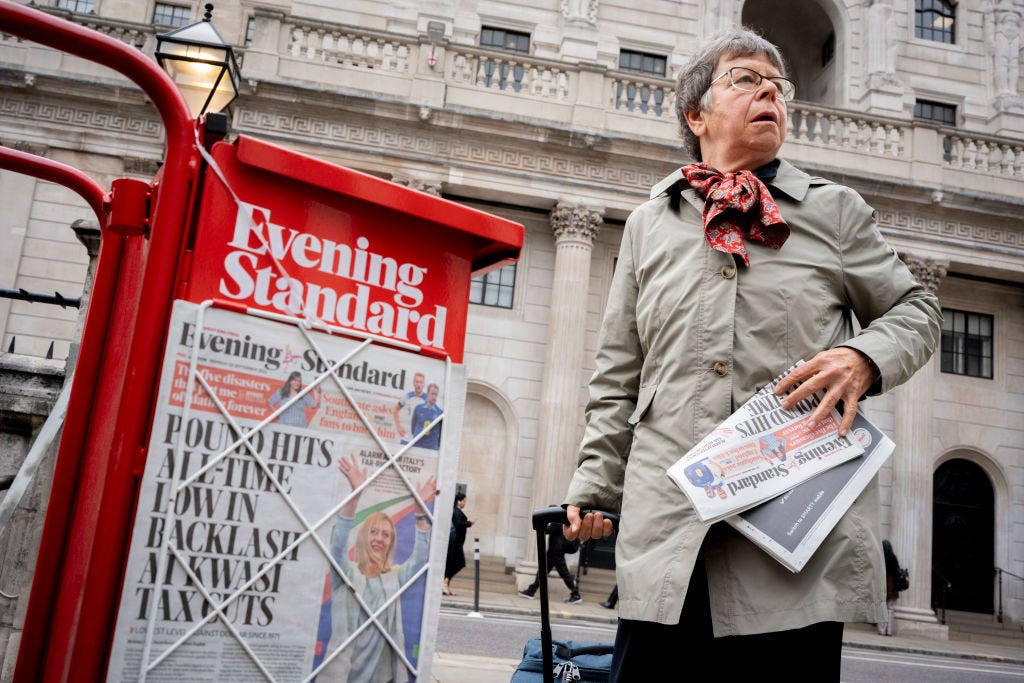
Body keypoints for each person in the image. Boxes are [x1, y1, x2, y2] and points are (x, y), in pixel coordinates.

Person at [561, 28, 941, 682]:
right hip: (669, 537)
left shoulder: (836, 213)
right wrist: (593, 485)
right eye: (745, 78)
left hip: (789, 553)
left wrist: (864, 358)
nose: (769, 89)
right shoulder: (652, 222)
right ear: (696, 114)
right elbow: (617, 374)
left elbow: (916, 309)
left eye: (779, 84)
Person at [322, 453, 436, 682]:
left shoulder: (396, 576)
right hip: (344, 676)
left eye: (386, 534)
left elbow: (421, 557)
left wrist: (420, 513)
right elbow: (337, 544)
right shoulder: (346, 572)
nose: (379, 539)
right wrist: (355, 495)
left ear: (391, 543)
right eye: (373, 532)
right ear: (364, 536)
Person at [519, 520, 582, 604]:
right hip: (554, 552)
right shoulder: (559, 522)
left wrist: (542, 524)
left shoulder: (557, 522)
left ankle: (576, 594)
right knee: (542, 572)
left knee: (564, 574)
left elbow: (546, 531)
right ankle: (531, 591)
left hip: (556, 552)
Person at [443, 492, 474, 596]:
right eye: (464, 501)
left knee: (452, 563)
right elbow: (458, 524)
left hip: (456, 542)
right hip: (454, 543)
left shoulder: (456, 511)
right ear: (458, 501)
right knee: (459, 563)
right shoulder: (456, 511)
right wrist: (470, 523)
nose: (465, 503)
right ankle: (445, 582)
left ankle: (446, 584)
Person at [393, 371, 426, 443]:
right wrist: (398, 427)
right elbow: (395, 409)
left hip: (419, 441)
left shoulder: (427, 399)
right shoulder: (407, 396)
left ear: (424, 384)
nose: (419, 385)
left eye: (421, 382)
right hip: (405, 439)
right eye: (417, 382)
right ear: (413, 383)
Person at [410, 383, 443, 450]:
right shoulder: (418, 408)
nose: (434, 397)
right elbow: (413, 427)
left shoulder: (440, 413)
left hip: (431, 447)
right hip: (417, 445)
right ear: (427, 394)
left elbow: (441, 433)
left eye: (436, 395)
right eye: (432, 394)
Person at [879, 539, 902, 636]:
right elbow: (897, 571)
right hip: (892, 586)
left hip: (883, 586)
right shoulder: (893, 558)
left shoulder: (880, 558)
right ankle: (889, 631)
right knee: (891, 610)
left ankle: (882, 630)